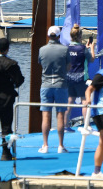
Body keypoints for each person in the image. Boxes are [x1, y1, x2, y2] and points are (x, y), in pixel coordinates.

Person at [37, 26, 70, 154]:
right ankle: (61, 145)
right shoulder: (64, 49)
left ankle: (45, 145)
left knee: (46, 115)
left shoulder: (42, 50)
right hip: (60, 84)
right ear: (59, 36)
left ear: (48, 36)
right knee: (60, 115)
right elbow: (68, 66)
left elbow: (41, 64)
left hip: (46, 85)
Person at [65, 25, 94, 127]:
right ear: (80, 36)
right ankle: (86, 125)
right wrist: (92, 48)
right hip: (81, 78)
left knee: (69, 101)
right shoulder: (83, 49)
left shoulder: (67, 48)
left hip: (69, 78)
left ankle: (65, 125)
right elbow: (92, 59)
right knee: (84, 101)